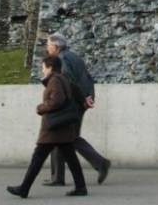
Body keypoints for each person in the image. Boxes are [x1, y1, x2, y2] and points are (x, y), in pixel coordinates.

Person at [7, 55, 88, 198]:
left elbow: (57, 100)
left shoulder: (55, 80)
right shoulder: (63, 78)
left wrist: (41, 107)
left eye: (43, 67)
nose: (42, 70)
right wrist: (84, 100)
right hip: (63, 128)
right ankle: (81, 187)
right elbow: (75, 90)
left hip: (53, 129)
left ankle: (24, 189)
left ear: (50, 68)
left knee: (37, 159)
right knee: (71, 159)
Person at [43, 33, 112, 187]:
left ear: (56, 46)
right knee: (60, 137)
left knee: (69, 137)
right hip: (79, 102)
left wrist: (79, 99)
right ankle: (57, 177)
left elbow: (67, 80)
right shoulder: (74, 57)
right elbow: (87, 78)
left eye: (48, 45)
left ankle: (100, 163)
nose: (47, 48)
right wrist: (88, 97)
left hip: (72, 103)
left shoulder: (62, 59)